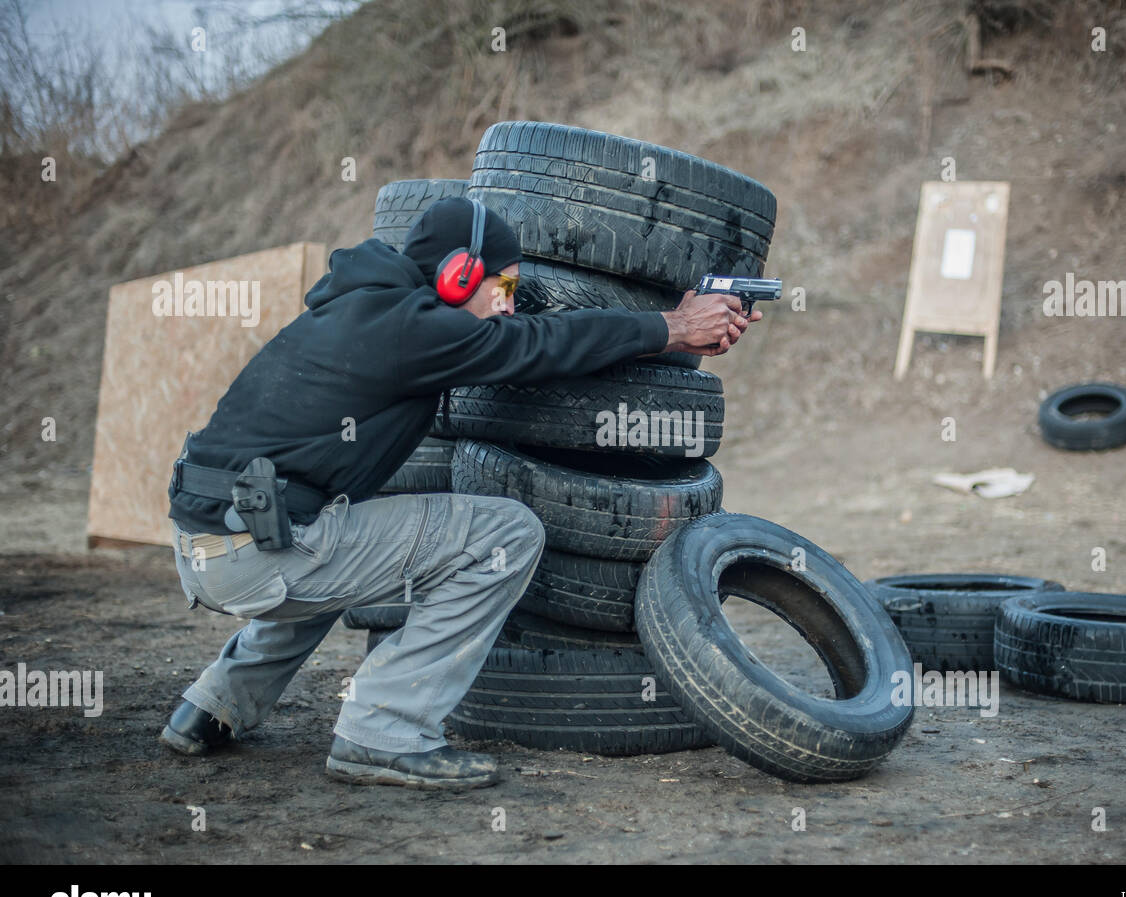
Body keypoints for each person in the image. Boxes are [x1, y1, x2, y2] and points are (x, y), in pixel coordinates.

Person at [160, 196, 759, 791]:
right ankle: (383, 732)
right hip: (255, 554)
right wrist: (675, 328)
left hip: (213, 545)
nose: (509, 305)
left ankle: (213, 706)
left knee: (337, 535)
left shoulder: (360, 309)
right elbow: (536, 344)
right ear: (459, 273)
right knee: (506, 532)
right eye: (504, 286)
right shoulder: (409, 328)